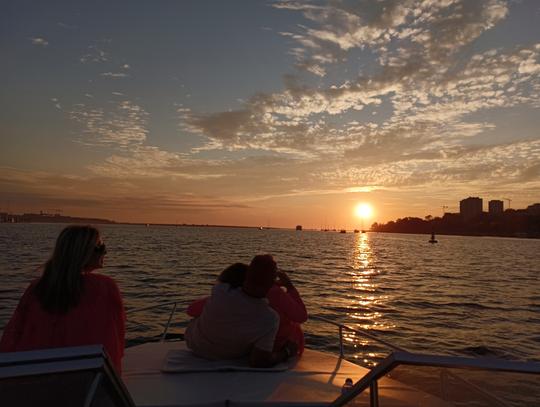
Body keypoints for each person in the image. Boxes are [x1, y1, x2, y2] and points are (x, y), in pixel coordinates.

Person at [0, 225, 125, 374]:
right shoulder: (105, 287)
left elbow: (13, 338)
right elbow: (114, 342)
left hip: (33, 377)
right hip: (85, 381)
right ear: (82, 253)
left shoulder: (36, 288)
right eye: (100, 247)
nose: (105, 251)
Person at [185, 254, 298, 367]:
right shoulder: (270, 319)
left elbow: (191, 310)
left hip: (195, 345)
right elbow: (259, 362)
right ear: (273, 283)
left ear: (247, 275)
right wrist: (286, 352)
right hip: (228, 356)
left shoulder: (221, 290)